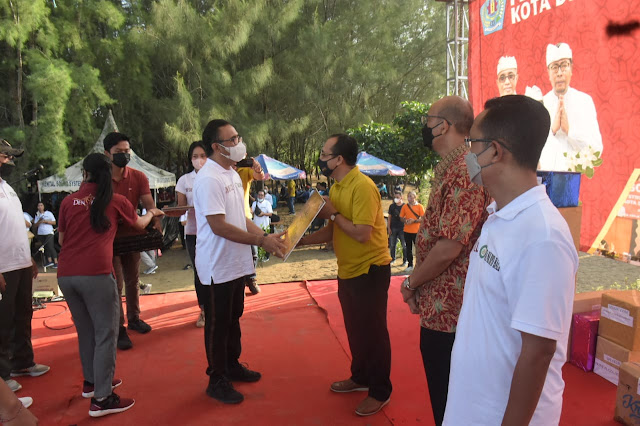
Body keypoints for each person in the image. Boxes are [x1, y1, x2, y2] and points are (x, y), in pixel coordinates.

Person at [443, 95, 578, 425]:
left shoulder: (542, 235)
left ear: (494, 151)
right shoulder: (501, 214)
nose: (467, 155)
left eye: (472, 143)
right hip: (472, 406)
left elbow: (539, 351)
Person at [399, 96, 491, 426]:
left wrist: (411, 282)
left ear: (444, 126)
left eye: (428, 119)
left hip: (454, 313)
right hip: (440, 305)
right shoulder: (451, 167)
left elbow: (449, 247)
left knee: (452, 402)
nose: (425, 126)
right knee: (444, 397)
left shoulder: (466, 169)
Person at [57, 153, 164, 418]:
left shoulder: (68, 202)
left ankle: (92, 383)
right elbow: (139, 225)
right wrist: (152, 211)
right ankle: (102, 399)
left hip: (66, 274)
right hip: (96, 273)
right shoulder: (115, 201)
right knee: (106, 334)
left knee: (86, 331)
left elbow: (61, 240)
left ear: (85, 174)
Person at [298, 134, 392, 417]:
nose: (321, 158)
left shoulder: (362, 186)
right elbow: (333, 230)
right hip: (348, 270)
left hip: (370, 270)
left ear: (339, 159)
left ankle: (380, 391)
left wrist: (334, 213)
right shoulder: (338, 187)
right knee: (355, 328)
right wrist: (298, 241)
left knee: (373, 332)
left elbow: (362, 234)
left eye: (325, 154)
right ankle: (360, 377)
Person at [194, 119, 287, 404]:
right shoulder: (209, 178)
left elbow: (241, 217)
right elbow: (219, 226)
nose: (239, 143)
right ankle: (217, 378)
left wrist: (267, 235)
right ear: (216, 147)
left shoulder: (232, 173)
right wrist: (262, 242)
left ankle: (231, 366)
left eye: (238, 137)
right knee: (217, 324)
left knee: (233, 318)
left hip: (235, 263)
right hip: (216, 267)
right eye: (232, 139)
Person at [103, 132, 162, 350]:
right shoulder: (100, 179)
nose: (124, 156)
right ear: (106, 154)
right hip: (109, 239)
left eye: (127, 152)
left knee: (133, 279)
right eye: (119, 152)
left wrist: (156, 222)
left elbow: (149, 204)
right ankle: (118, 328)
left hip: (134, 237)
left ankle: (134, 318)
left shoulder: (138, 177)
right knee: (115, 284)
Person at [0, 139, 50, 394]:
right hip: (3, 266)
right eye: (5, 156)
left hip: (18, 261)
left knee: (23, 314)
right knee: (3, 320)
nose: (10, 161)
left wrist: (28, 257)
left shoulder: (7, 187)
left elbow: (16, 227)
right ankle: (2, 374)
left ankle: (22, 361)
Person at [539, 42, 603, 171]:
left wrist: (570, 131)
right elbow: (532, 152)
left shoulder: (584, 101)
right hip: (545, 184)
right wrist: (552, 130)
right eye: (554, 67)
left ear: (571, 68)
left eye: (564, 66)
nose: (559, 73)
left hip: (572, 182)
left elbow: (597, 150)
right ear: (548, 72)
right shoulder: (541, 104)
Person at [176, 141, 209, 328]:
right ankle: (204, 310)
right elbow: (181, 207)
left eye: (203, 155)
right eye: (195, 156)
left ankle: (216, 308)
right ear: (190, 159)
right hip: (194, 233)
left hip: (215, 231)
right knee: (200, 272)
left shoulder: (216, 176)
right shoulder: (184, 180)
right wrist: (180, 213)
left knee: (215, 269)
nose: (199, 160)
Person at [236, 159, 266, 295]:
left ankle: (251, 278)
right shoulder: (220, 171)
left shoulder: (244, 171)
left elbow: (259, 176)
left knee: (253, 252)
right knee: (235, 254)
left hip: (245, 217)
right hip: (229, 220)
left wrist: (258, 169)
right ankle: (239, 282)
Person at [399, 191, 425, 273]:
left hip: (416, 231)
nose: (409, 198)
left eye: (410, 196)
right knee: (408, 248)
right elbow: (401, 217)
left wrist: (414, 221)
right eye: (408, 196)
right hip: (407, 230)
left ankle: (419, 265)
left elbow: (423, 218)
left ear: (414, 197)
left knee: (418, 248)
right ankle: (410, 264)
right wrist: (405, 220)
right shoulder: (405, 207)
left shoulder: (420, 206)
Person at [34, 202, 58, 268]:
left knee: (50, 246)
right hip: (41, 233)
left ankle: (56, 262)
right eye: (38, 206)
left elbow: (54, 222)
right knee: (45, 247)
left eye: (41, 205)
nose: (40, 207)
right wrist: (39, 220)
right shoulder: (37, 215)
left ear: (44, 206)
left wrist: (46, 221)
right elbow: (35, 225)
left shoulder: (49, 213)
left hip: (49, 232)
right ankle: (49, 261)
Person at [387, 191, 407, 267]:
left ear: (401, 197)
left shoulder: (405, 206)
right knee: (392, 245)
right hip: (393, 228)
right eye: (395, 197)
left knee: (404, 245)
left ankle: (405, 260)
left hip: (403, 228)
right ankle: (393, 259)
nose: (396, 199)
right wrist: (388, 228)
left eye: (397, 197)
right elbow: (389, 217)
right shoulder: (392, 206)